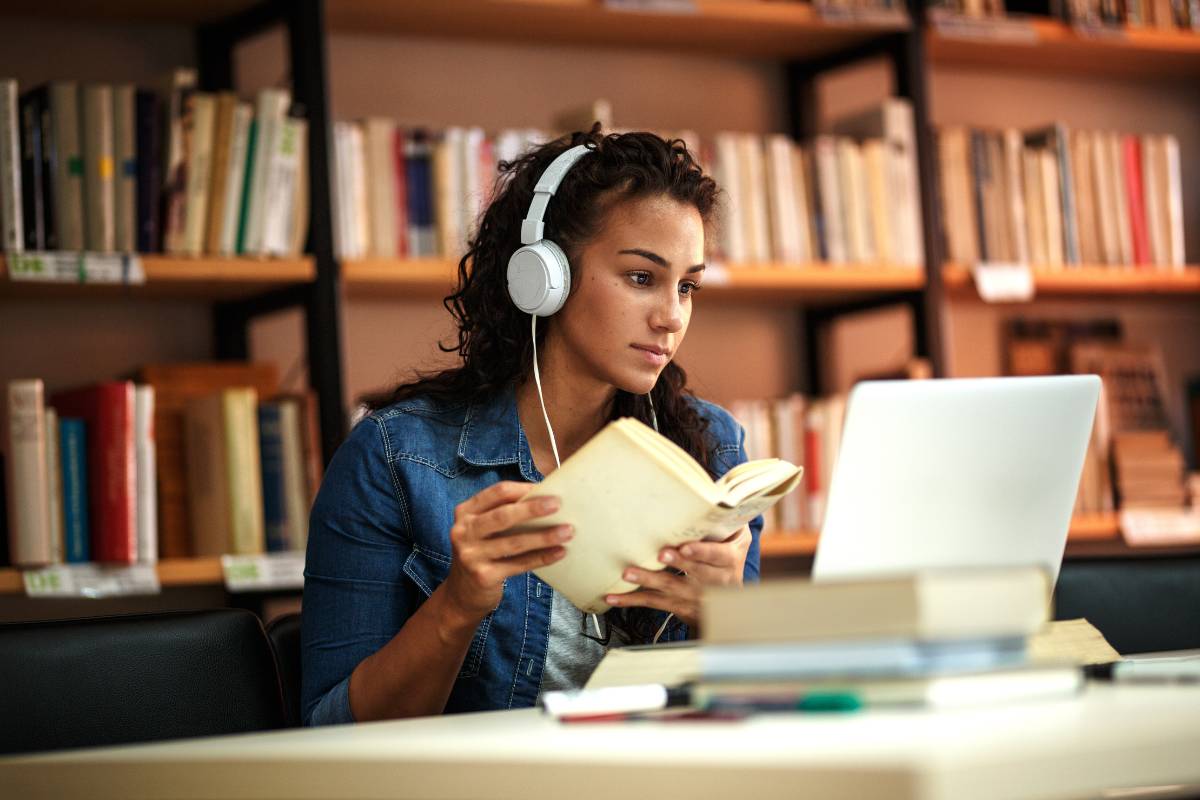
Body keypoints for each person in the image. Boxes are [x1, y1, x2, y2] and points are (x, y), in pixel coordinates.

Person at [301, 127, 763, 726]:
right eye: (642, 278)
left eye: (688, 286)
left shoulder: (711, 448)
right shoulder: (393, 458)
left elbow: (747, 715)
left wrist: (728, 619)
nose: (671, 317)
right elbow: (331, 731)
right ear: (545, 277)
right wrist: (458, 605)